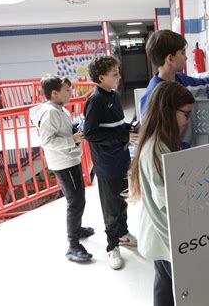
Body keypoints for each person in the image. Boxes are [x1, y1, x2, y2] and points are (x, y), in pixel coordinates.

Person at [128, 81, 195, 306]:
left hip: (158, 235)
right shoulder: (157, 150)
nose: (188, 121)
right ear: (169, 111)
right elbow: (168, 202)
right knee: (175, 287)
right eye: (186, 114)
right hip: (165, 236)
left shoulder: (158, 141)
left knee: (164, 285)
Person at [30, 75, 94, 263]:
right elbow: (46, 141)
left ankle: (77, 229)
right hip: (64, 163)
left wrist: (73, 130)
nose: (70, 93)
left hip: (69, 160)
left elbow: (60, 131)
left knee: (79, 198)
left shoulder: (59, 109)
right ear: (54, 93)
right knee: (75, 202)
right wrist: (72, 139)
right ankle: (73, 246)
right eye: (67, 90)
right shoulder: (51, 112)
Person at [83, 55, 139, 270]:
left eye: (118, 72)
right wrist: (122, 137)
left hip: (121, 157)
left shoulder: (114, 96)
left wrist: (128, 129)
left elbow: (115, 125)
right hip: (106, 163)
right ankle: (111, 245)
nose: (119, 77)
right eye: (114, 74)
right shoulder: (96, 100)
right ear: (101, 77)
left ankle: (123, 234)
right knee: (111, 207)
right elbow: (91, 134)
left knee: (123, 199)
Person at [139, 29, 209, 117]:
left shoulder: (179, 79)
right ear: (170, 58)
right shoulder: (153, 95)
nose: (186, 57)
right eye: (182, 53)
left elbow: (204, 82)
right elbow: (148, 131)